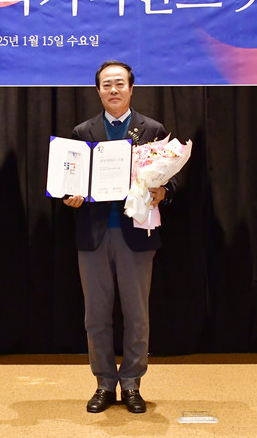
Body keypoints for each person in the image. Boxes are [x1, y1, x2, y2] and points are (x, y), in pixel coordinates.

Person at [63, 60, 176, 414]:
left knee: (136, 315)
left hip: (136, 235)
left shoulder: (151, 129)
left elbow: (170, 178)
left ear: (131, 88)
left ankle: (131, 383)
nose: (113, 90)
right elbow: (71, 178)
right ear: (98, 90)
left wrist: (163, 192)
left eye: (119, 83)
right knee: (95, 316)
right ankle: (103, 383)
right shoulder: (83, 131)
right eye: (106, 84)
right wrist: (70, 194)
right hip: (94, 236)